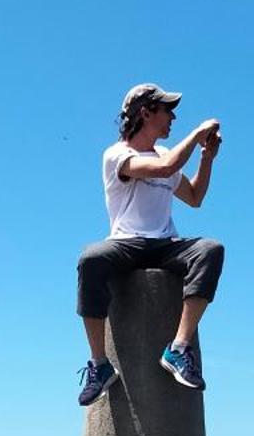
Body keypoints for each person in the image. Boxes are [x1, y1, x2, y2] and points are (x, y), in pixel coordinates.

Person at [75, 83, 224, 404]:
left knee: (210, 249)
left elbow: (195, 197)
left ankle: (179, 348)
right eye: (166, 110)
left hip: (165, 244)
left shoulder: (166, 156)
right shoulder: (118, 155)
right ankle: (99, 365)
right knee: (92, 258)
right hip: (126, 243)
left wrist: (207, 158)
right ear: (145, 113)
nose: (172, 117)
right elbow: (166, 167)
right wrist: (197, 133)